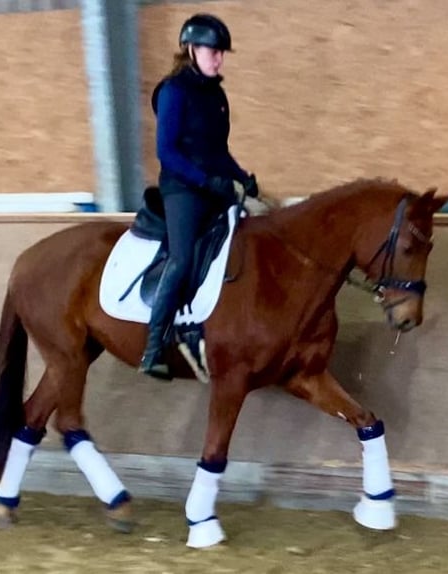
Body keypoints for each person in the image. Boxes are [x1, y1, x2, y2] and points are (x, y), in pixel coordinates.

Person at [139, 12, 259, 380]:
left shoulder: (216, 95)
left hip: (215, 185)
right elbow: (168, 152)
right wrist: (207, 182)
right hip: (183, 189)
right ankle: (154, 346)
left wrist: (243, 178)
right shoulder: (174, 91)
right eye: (212, 51)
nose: (218, 58)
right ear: (191, 49)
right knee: (183, 256)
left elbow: (218, 150)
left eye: (222, 53)